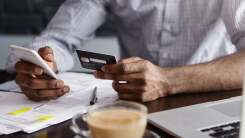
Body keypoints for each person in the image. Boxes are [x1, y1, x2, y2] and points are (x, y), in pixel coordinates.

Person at [6, 0, 245, 102]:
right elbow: (58, 38)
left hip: (207, 99)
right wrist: (42, 63)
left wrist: (167, 81)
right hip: (131, 105)